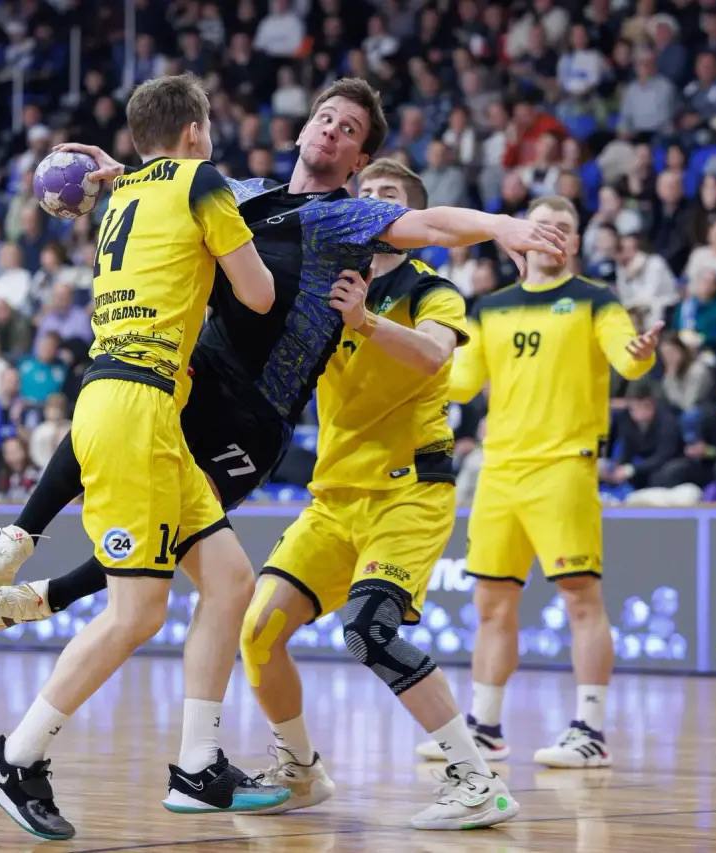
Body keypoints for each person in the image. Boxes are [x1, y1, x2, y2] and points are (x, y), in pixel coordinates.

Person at [0, 75, 563, 612]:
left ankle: (46, 598)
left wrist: (499, 225)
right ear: (302, 130)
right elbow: (177, 187)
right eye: (325, 118)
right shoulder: (239, 193)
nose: (332, 131)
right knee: (115, 399)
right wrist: (127, 169)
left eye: (348, 130)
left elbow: (431, 224)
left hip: (257, 413)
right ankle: (19, 536)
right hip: (196, 369)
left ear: (358, 161)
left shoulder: (348, 218)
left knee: (177, 526)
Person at [0, 74, 284, 843]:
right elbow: (260, 294)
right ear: (196, 131)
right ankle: (16, 756)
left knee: (230, 581)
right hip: (135, 408)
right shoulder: (202, 183)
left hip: (138, 407)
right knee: (135, 611)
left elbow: (156, 207)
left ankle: (198, 765)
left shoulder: (120, 195)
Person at [239, 160, 515, 829]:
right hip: (334, 496)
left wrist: (363, 321)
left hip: (409, 489)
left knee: (369, 630)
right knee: (258, 631)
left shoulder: (430, 288)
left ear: (409, 219)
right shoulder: (324, 282)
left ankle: (478, 781)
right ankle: (300, 769)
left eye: (388, 198)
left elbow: (434, 356)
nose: (371, 203)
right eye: (365, 195)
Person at [416, 195, 659, 770]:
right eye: (541, 226)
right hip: (500, 471)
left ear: (573, 242)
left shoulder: (596, 300)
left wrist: (641, 353)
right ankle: (484, 727)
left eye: (563, 228)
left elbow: (628, 361)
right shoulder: (490, 308)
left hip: (564, 468)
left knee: (580, 598)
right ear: (521, 236)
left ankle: (590, 731)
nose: (551, 234)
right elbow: (462, 382)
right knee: (491, 604)